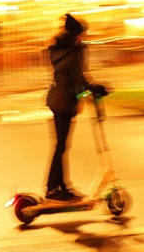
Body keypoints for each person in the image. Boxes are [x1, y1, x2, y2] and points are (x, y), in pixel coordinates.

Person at [45, 13, 108, 202]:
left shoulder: (60, 49)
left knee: (61, 146)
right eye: (82, 34)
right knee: (61, 146)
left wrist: (82, 96)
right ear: (75, 34)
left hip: (57, 100)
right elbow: (79, 82)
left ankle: (60, 186)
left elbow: (75, 83)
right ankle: (54, 189)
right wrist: (95, 89)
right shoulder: (73, 53)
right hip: (63, 102)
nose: (84, 37)